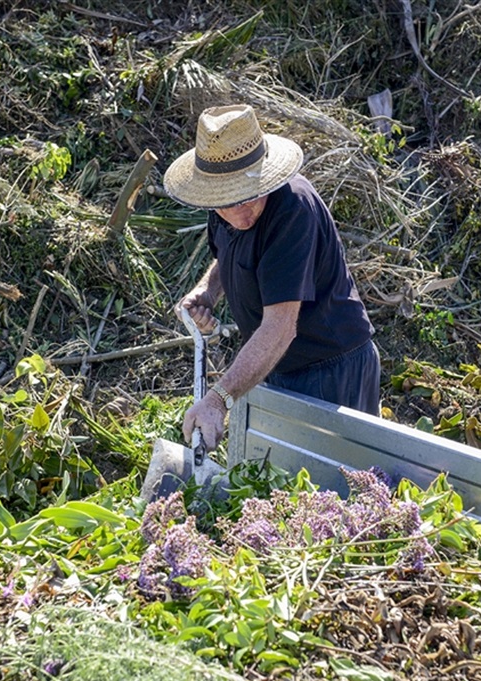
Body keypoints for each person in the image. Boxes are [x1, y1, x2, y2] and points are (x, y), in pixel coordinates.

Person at [162, 103, 380, 451]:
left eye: (248, 196)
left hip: (329, 367)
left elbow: (280, 327)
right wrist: (206, 291)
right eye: (226, 201)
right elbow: (228, 254)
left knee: (337, 492)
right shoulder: (224, 205)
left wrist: (218, 400)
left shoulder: (293, 211)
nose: (239, 211)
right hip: (272, 364)